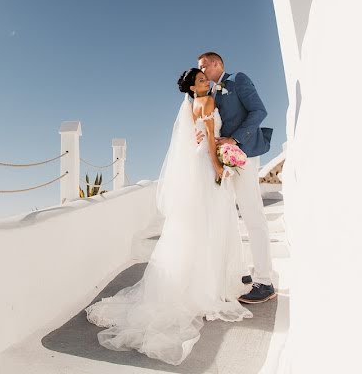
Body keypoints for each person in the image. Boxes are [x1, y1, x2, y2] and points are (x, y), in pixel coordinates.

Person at [86, 68, 251, 365]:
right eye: (200, 81)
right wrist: (218, 168)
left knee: (200, 226)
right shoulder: (207, 103)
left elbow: (200, 135)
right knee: (211, 225)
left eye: (205, 79)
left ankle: (197, 284)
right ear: (191, 88)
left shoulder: (192, 106)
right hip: (208, 164)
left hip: (199, 161)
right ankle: (208, 288)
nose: (205, 83)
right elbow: (211, 140)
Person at [197, 51, 276, 304]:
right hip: (223, 160)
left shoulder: (238, 80)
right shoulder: (208, 95)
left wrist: (235, 139)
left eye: (204, 66)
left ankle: (265, 281)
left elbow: (259, 111)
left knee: (252, 214)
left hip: (245, 155)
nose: (201, 71)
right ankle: (241, 271)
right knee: (227, 215)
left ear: (217, 63)